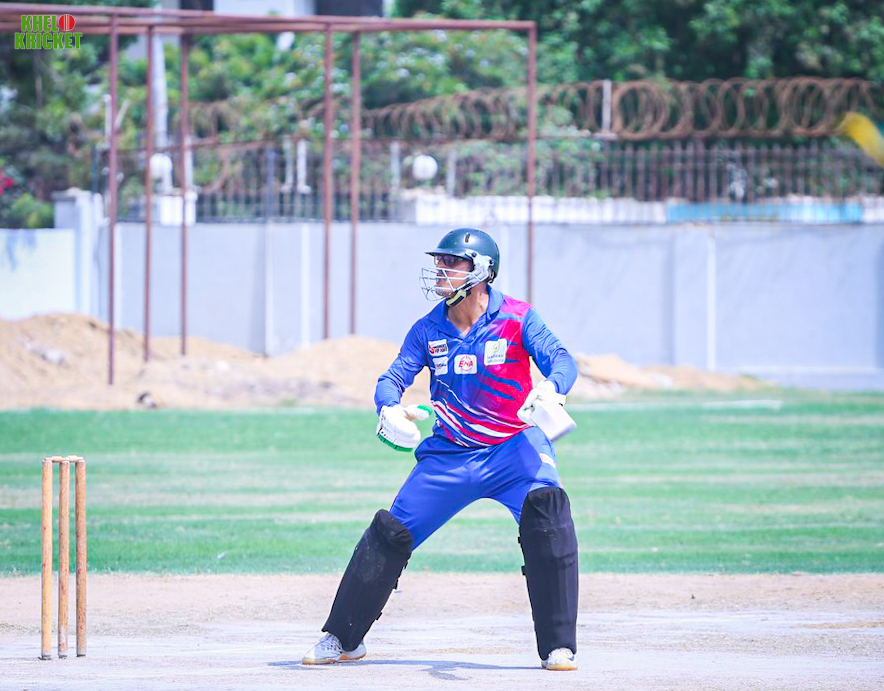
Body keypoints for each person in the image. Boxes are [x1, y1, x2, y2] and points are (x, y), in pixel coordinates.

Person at [301, 228, 580, 671]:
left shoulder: (518, 317)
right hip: (450, 455)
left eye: (451, 263)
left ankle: (558, 647)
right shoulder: (428, 328)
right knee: (389, 533)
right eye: (439, 262)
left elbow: (561, 359)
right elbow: (393, 377)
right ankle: (343, 637)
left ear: (482, 270)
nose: (440, 270)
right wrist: (388, 407)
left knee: (549, 512)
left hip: (515, 448)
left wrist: (552, 389)